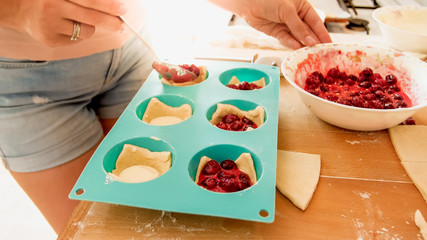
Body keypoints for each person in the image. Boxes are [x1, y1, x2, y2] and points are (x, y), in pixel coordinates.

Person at [0, 0, 331, 235]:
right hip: (26, 84)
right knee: (98, 229)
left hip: (133, 51)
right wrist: (16, 9)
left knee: (150, 220)